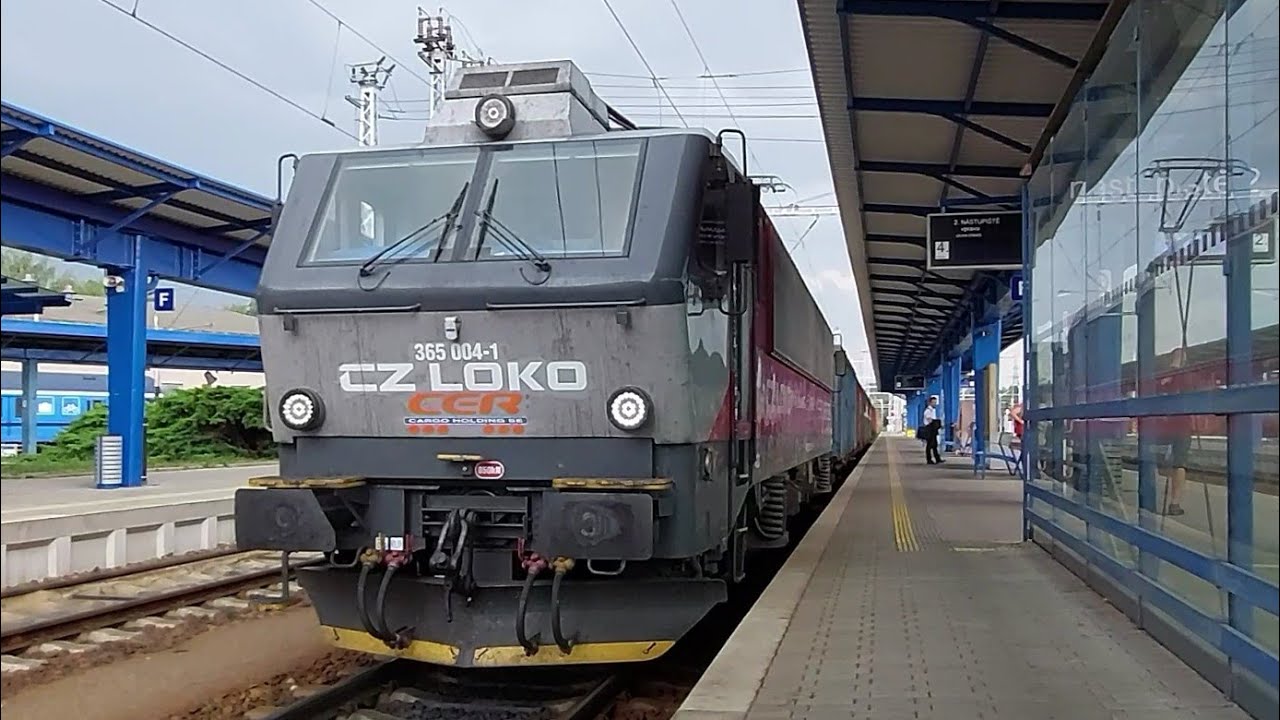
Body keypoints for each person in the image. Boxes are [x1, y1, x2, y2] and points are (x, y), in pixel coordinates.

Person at [922, 395, 943, 465]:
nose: (935, 404)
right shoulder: (928, 411)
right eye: (933, 402)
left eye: (935, 402)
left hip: (933, 430)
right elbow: (929, 420)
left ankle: (937, 458)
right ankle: (929, 459)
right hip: (929, 430)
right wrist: (936, 422)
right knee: (929, 445)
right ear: (930, 403)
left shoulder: (932, 410)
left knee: (934, 445)